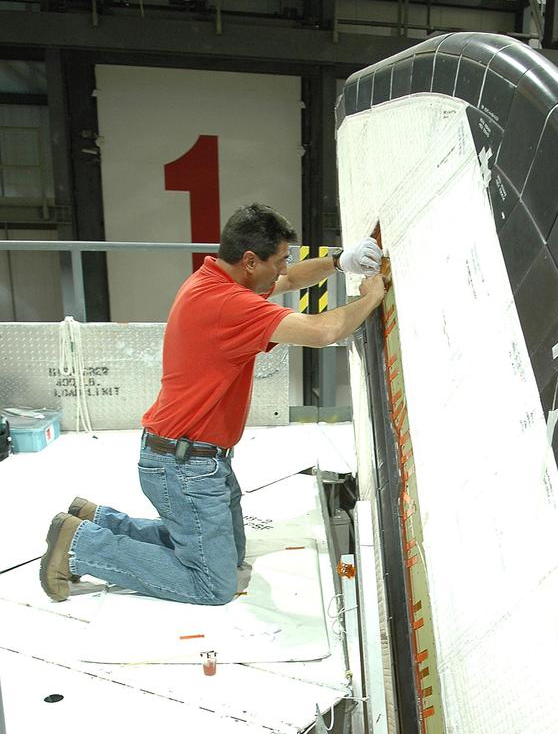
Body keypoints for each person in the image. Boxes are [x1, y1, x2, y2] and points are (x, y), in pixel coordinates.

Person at [39, 202, 386, 606]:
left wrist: (340, 262)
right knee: (214, 584)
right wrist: (370, 299)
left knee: (228, 555)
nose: (283, 268)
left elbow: (290, 280)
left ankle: (93, 520)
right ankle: (82, 546)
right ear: (251, 261)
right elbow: (322, 331)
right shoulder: (231, 306)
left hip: (192, 457)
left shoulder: (219, 281)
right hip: (185, 465)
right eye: (278, 259)